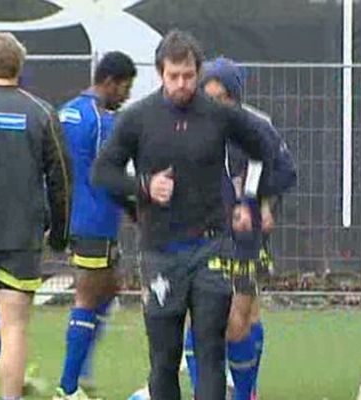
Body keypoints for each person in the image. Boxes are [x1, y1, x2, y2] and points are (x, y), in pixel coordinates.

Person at [92, 30, 273, 400]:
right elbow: (103, 172)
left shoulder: (219, 115)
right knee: (164, 357)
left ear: (198, 71)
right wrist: (143, 188)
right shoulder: (138, 118)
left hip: (210, 248)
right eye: (173, 76)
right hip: (161, 250)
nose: (181, 84)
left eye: (188, 76)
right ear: (160, 73)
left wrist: (247, 197)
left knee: (209, 350)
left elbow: (265, 148)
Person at [184, 57, 296, 400]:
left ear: (235, 97)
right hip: (202, 235)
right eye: (209, 95)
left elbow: (282, 173)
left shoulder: (257, 128)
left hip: (244, 239)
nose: (214, 104)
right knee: (199, 319)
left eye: (222, 97)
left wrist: (261, 205)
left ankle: (247, 389)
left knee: (238, 323)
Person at [54, 51, 136, 400]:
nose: (126, 96)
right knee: (88, 296)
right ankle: (68, 387)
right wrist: (135, 206)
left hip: (72, 217)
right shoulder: (103, 121)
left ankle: (81, 372)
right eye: (125, 88)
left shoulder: (65, 111)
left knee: (110, 287)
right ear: (109, 82)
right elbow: (108, 177)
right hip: (96, 220)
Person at [0, 32, 71, 400]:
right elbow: (61, 180)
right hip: (21, 239)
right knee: (13, 329)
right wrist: (59, 234)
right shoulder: (41, 112)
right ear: (19, 67)